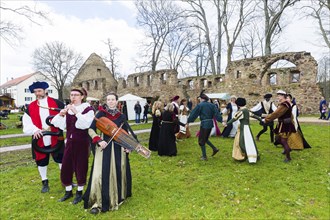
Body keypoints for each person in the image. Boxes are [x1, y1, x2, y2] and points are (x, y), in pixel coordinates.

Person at [83, 92, 132, 214]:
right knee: (101, 173)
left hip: (118, 148)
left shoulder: (121, 116)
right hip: (104, 147)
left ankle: (118, 196)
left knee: (118, 170)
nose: (110, 101)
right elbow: (91, 129)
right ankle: (99, 201)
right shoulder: (100, 114)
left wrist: (128, 146)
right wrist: (98, 140)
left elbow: (125, 133)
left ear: (117, 101)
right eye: (108, 99)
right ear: (106, 101)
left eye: (113, 99)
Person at [52, 87, 95, 204]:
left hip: (81, 142)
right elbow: (58, 124)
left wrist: (76, 112)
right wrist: (61, 114)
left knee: (80, 166)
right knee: (66, 165)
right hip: (69, 142)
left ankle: (79, 192)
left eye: (76, 95)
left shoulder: (88, 109)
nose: (73, 97)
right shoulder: (67, 109)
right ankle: (68, 191)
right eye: (71, 95)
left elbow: (85, 124)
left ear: (82, 96)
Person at [22, 81, 65, 193]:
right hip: (39, 137)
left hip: (56, 135)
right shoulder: (30, 106)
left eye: (39, 91)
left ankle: (65, 181)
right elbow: (26, 122)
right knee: (41, 160)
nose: (37, 94)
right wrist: (35, 130)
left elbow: (66, 118)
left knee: (61, 158)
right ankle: (44, 182)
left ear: (46, 90)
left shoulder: (58, 103)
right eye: (35, 92)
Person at [187, 91, 223, 160]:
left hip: (205, 124)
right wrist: (221, 120)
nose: (199, 100)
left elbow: (193, 114)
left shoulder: (200, 105)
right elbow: (217, 114)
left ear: (201, 98)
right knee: (205, 138)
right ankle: (214, 148)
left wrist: (189, 121)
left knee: (201, 140)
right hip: (210, 124)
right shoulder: (212, 105)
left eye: (199, 98)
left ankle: (204, 156)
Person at [263, 90, 296, 162]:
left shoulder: (284, 105)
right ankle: (287, 149)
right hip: (281, 124)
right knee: (278, 138)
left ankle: (288, 157)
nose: (277, 97)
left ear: (283, 96)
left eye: (279, 96)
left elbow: (276, 114)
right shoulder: (284, 104)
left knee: (283, 140)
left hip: (285, 125)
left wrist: (266, 119)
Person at [226, 98, 260, 163]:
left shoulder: (241, 111)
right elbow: (254, 116)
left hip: (243, 128)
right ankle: (254, 154)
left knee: (242, 142)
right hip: (247, 127)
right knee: (250, 141)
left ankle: (245, 155)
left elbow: (234, 118)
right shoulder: (246, 110)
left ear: (238, 104)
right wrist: (261, 120)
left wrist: (227, 123)